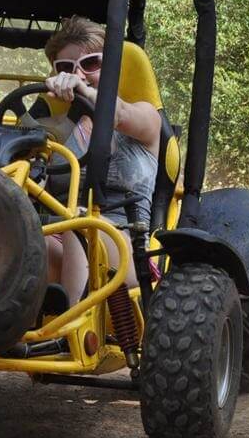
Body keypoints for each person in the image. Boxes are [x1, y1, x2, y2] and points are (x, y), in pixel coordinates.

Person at [42, 16, 162, 298]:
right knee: (21, 242)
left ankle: (69, 335)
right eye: (66, 68)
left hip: (126, 243)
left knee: (81, 224)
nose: (78, 75)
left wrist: (85, 92)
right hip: (59, 236)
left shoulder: (142, 117)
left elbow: (118, 113)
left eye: (91, 64)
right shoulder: (53, 126)